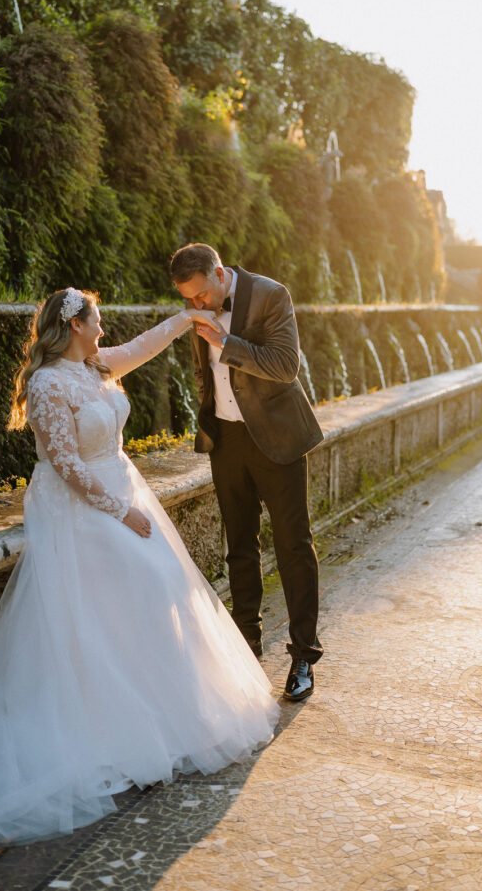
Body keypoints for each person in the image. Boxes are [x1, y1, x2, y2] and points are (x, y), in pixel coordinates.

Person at [0, 288, 279, 848]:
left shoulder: (95, 365)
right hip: (83, 508)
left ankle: (158, 718)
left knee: (156, 598)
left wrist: (185, 318)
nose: (103, 330)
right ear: (74, 326)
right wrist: (120, 511)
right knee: (127, 600)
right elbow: (65, 463)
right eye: (97, 321)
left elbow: (145, 345)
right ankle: (109, 733)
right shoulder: (49, 383)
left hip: (124, 491)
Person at [170, 244, 325, 703]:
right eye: (188, 299)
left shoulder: (272, 295)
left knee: (293, 546)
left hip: (277, 438)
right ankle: (246, 648)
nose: (196, 306)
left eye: (200, 295)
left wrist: (226, 343)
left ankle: (302, 655)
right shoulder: (198, 304)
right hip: (228, 441)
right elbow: (203, 373)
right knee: (239, 547)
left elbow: (285, 365)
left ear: (220, 273)